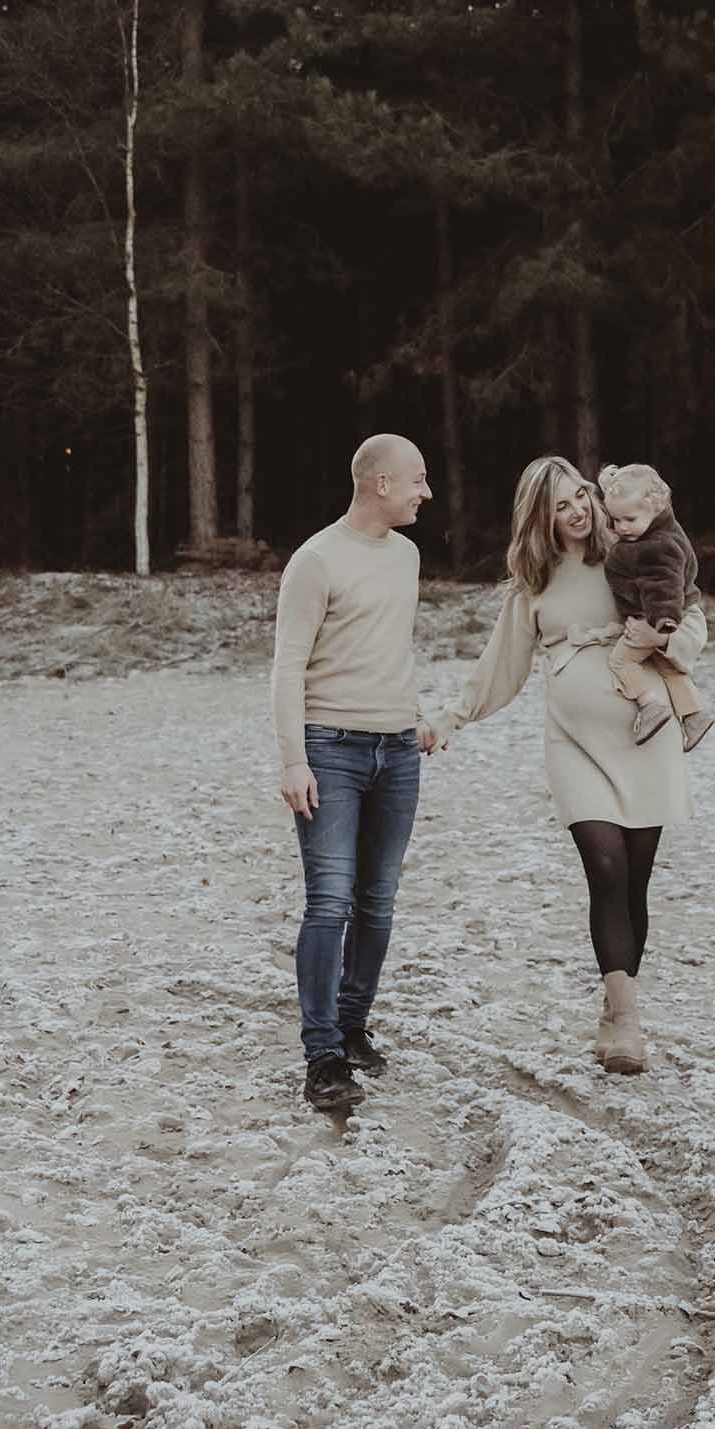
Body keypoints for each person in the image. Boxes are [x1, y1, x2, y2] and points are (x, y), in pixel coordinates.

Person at [429, 455, 707, 1076]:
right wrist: (451, 717)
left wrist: (669, 641)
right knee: (605, 866)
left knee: (635, 877)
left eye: (581, 496)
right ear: (540, 516)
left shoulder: (630, 549)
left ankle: (615, 1007)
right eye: (560, 505)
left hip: (647, 732)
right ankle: (630, 1024)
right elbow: (501, 665)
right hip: (574, 742)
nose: (578, 511)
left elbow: (690, 610)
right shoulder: (533, 581)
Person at [271, 434, 436, 1114]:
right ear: (380, 485)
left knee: (379, 899)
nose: (427, 492)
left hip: (398, 751)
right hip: (330, 749)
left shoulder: (408, 556)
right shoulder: (316, 560)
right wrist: (292, 759)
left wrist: (415, 714)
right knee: (330, 901)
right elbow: (287, 664)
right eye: (418, 479)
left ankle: (354, 1023)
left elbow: (387, 647)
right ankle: (322, 1054)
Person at [598, 460, 715, 752]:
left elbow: (664, 584)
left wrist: (661, 623)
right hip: (670, 614)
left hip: (660, 618)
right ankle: (694, 715)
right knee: (669, 667)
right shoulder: (658, 530)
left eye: (630, 519)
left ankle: (649, 705)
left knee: (621, 661)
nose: (622, 528)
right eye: (616, 521)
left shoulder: (656, 546)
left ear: (655, 509)